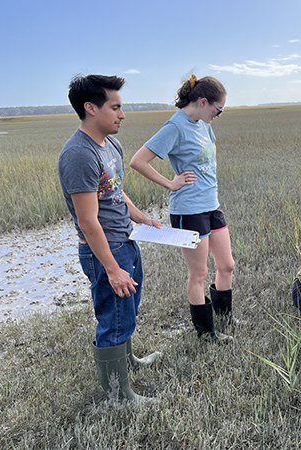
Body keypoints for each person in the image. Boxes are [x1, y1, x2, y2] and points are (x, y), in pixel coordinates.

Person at [58, 74, 163, 403]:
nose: (122, 114)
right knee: (113, 317)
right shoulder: (79, 155)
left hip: (125, 240)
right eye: (115, 107)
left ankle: (127, 362)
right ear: (90, 108)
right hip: (104, 251)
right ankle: (120, 397)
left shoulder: (111, 144)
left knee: (126, 310)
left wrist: (142, 217)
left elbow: (115, 192)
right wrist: (113, 269)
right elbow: (88, 222)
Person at [130, 74, 238, 344]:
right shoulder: (175, 126)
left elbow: (209, 151)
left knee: (227, 265)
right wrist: (171, 182)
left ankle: (224, 316)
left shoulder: (203, 124)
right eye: (218, 109)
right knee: (199, 273)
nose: (219, 115)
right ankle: (206, 333)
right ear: (203, 102)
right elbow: (138, 161)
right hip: (189, 210)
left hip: (211, 205)